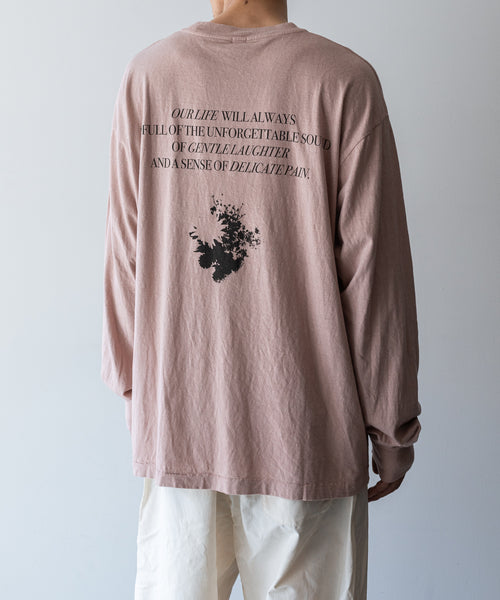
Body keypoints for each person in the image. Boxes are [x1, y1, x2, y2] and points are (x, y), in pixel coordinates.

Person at [100, 0, 422, 597]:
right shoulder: (342, 79)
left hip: (179, 423)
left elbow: (125, 258)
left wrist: (138, 395)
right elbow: (376, 279)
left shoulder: (149, 75)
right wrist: (392, 427)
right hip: (306, 435)